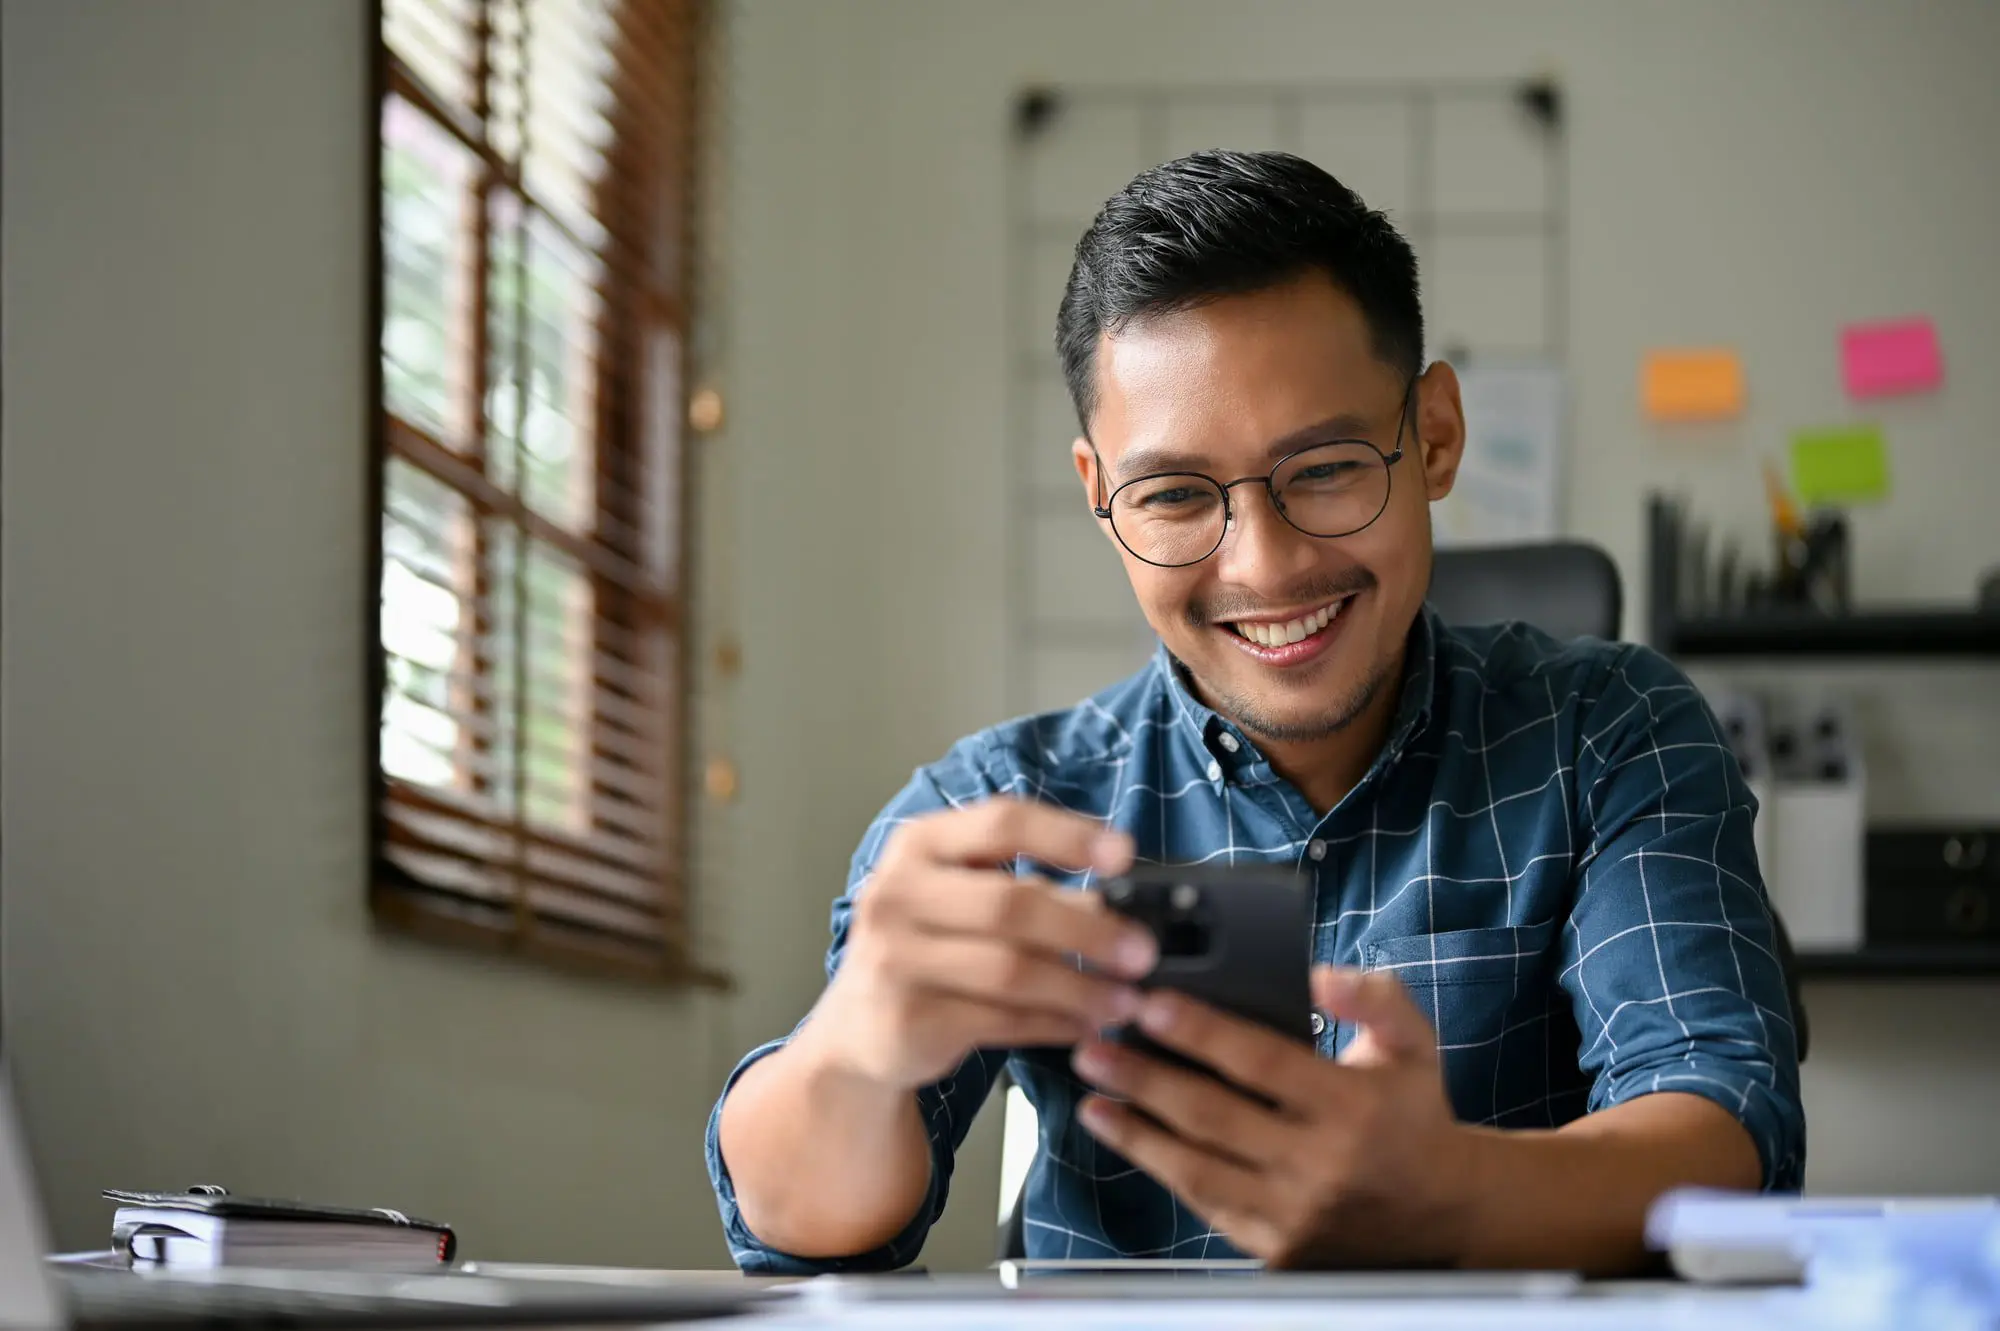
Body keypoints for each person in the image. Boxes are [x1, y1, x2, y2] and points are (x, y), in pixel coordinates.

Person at [706, 150, 1803, 1275]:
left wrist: (1448, 1195)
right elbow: (806, 1226)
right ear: (1099, 492)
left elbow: (1725, 1128)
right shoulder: (998, 810)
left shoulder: (1608, 732)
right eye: (1175, 494)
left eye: (1323, 468)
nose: (1265, 566)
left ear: (1430, 436)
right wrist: (849, 1058)